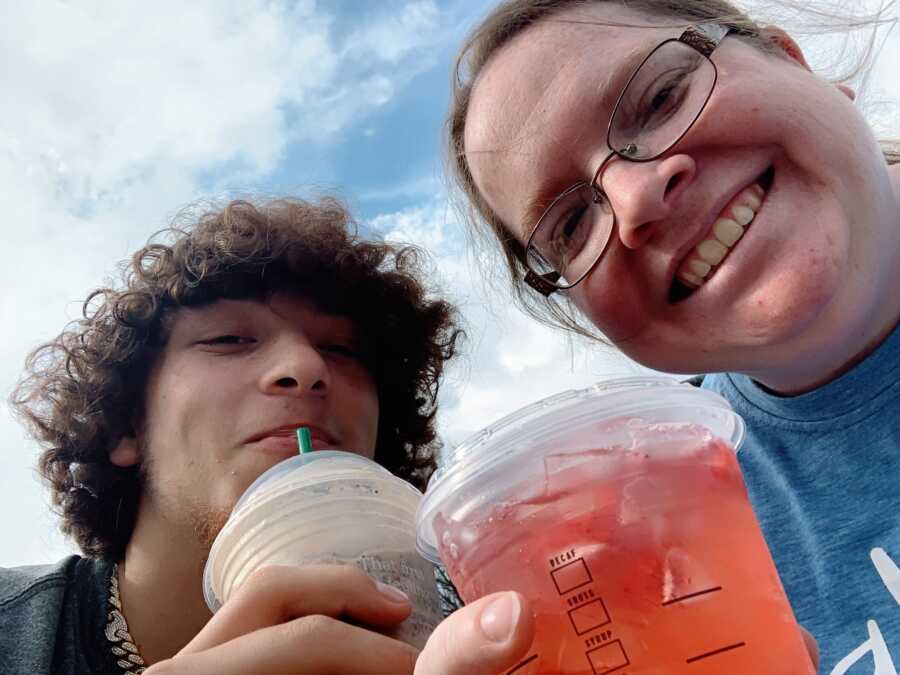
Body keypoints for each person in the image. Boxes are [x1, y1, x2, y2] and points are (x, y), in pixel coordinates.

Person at [447, 0, 899, 672]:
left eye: (661, 96)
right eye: (571, 225)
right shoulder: (652, 538)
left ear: (790, 58)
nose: (634, 200)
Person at [2, 197, 536, 675]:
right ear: (124, 426)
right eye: (230, 339)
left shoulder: (492, 627)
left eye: (342, 351)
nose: (305, 366)